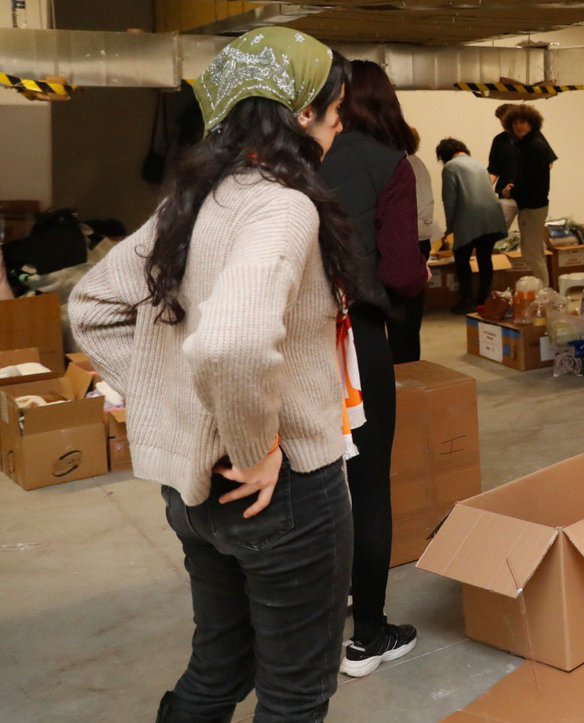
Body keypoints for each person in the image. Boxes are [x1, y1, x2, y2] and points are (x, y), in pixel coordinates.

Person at [70, 28, 360, 719]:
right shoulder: (283, 205)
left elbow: (91, 306)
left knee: (218, 667)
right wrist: (254, 443)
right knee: (295, 695)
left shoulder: (197, 198)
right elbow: (230, 345)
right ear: (300, 115)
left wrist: (178, 405)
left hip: (196, 496)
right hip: (282, 494)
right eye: (336, 107)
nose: (342, 121)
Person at [319, 59, 425, 678]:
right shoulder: (390, 166)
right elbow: (402, 272)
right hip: (357, 336)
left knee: (309, 480)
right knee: (368, 483)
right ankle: (370, 635)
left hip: (294, 336)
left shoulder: (290, 160)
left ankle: (308, 620)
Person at [436, 137, 509, 314]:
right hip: (492, 217)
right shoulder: (478, 165)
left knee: (461, 259)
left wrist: (450, 227)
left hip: (469, 219)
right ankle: (484, 299)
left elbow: (450, 200)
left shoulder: (450, 167)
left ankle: (466, 301)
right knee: (485, 258)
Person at [388, 126, 440, 363]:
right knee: (410, 313)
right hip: (420, 239)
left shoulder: (400, 164)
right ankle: (408, 361)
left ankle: (403, 364)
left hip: (408, 240)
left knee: (402, 314)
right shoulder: (416, 162)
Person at [501, 104, 556, 287]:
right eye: (515, 122)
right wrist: (515, 186)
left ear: (531, 123)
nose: (518, 126)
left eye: (522, 122)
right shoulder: (528, 144)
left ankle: (543, 292)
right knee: (535, 251)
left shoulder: (533, 146)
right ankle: (543, 291)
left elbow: (534, 181)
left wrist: (512, 191)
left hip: (533, 206)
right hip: (534, 204)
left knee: (531, 253)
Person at [487, 103, 520, 230]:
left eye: (505, 120)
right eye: (501, 120)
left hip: (529, 195)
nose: (503, 124)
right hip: (506, 195)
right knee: (497, 232)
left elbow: (547, 164)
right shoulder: (499, 140)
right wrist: (482, 187)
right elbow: (494, 170)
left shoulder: (533, 137)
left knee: (530, 234)